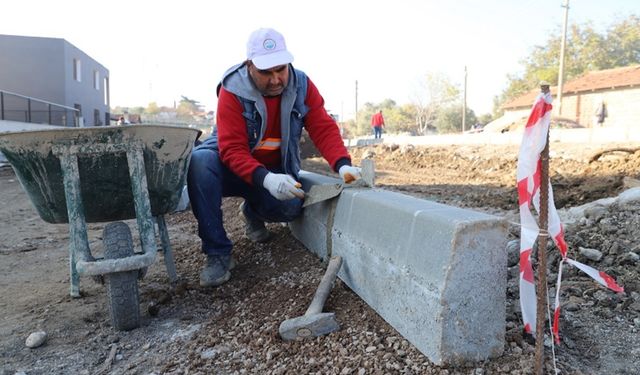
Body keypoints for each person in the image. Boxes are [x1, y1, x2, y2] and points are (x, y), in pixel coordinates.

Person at [187, 28, 362, 287]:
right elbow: (232, 150)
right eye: (266, 73)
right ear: (249, 66)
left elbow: (322, 126)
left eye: (280, 69)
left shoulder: (301, 85)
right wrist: (266, 180)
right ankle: (218, 253)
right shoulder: (232, 90)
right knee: (200, 163)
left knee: (289, 208)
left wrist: (342, 163)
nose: (275, 79)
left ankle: (252, 210)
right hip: (229, 164)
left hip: (273, 167)